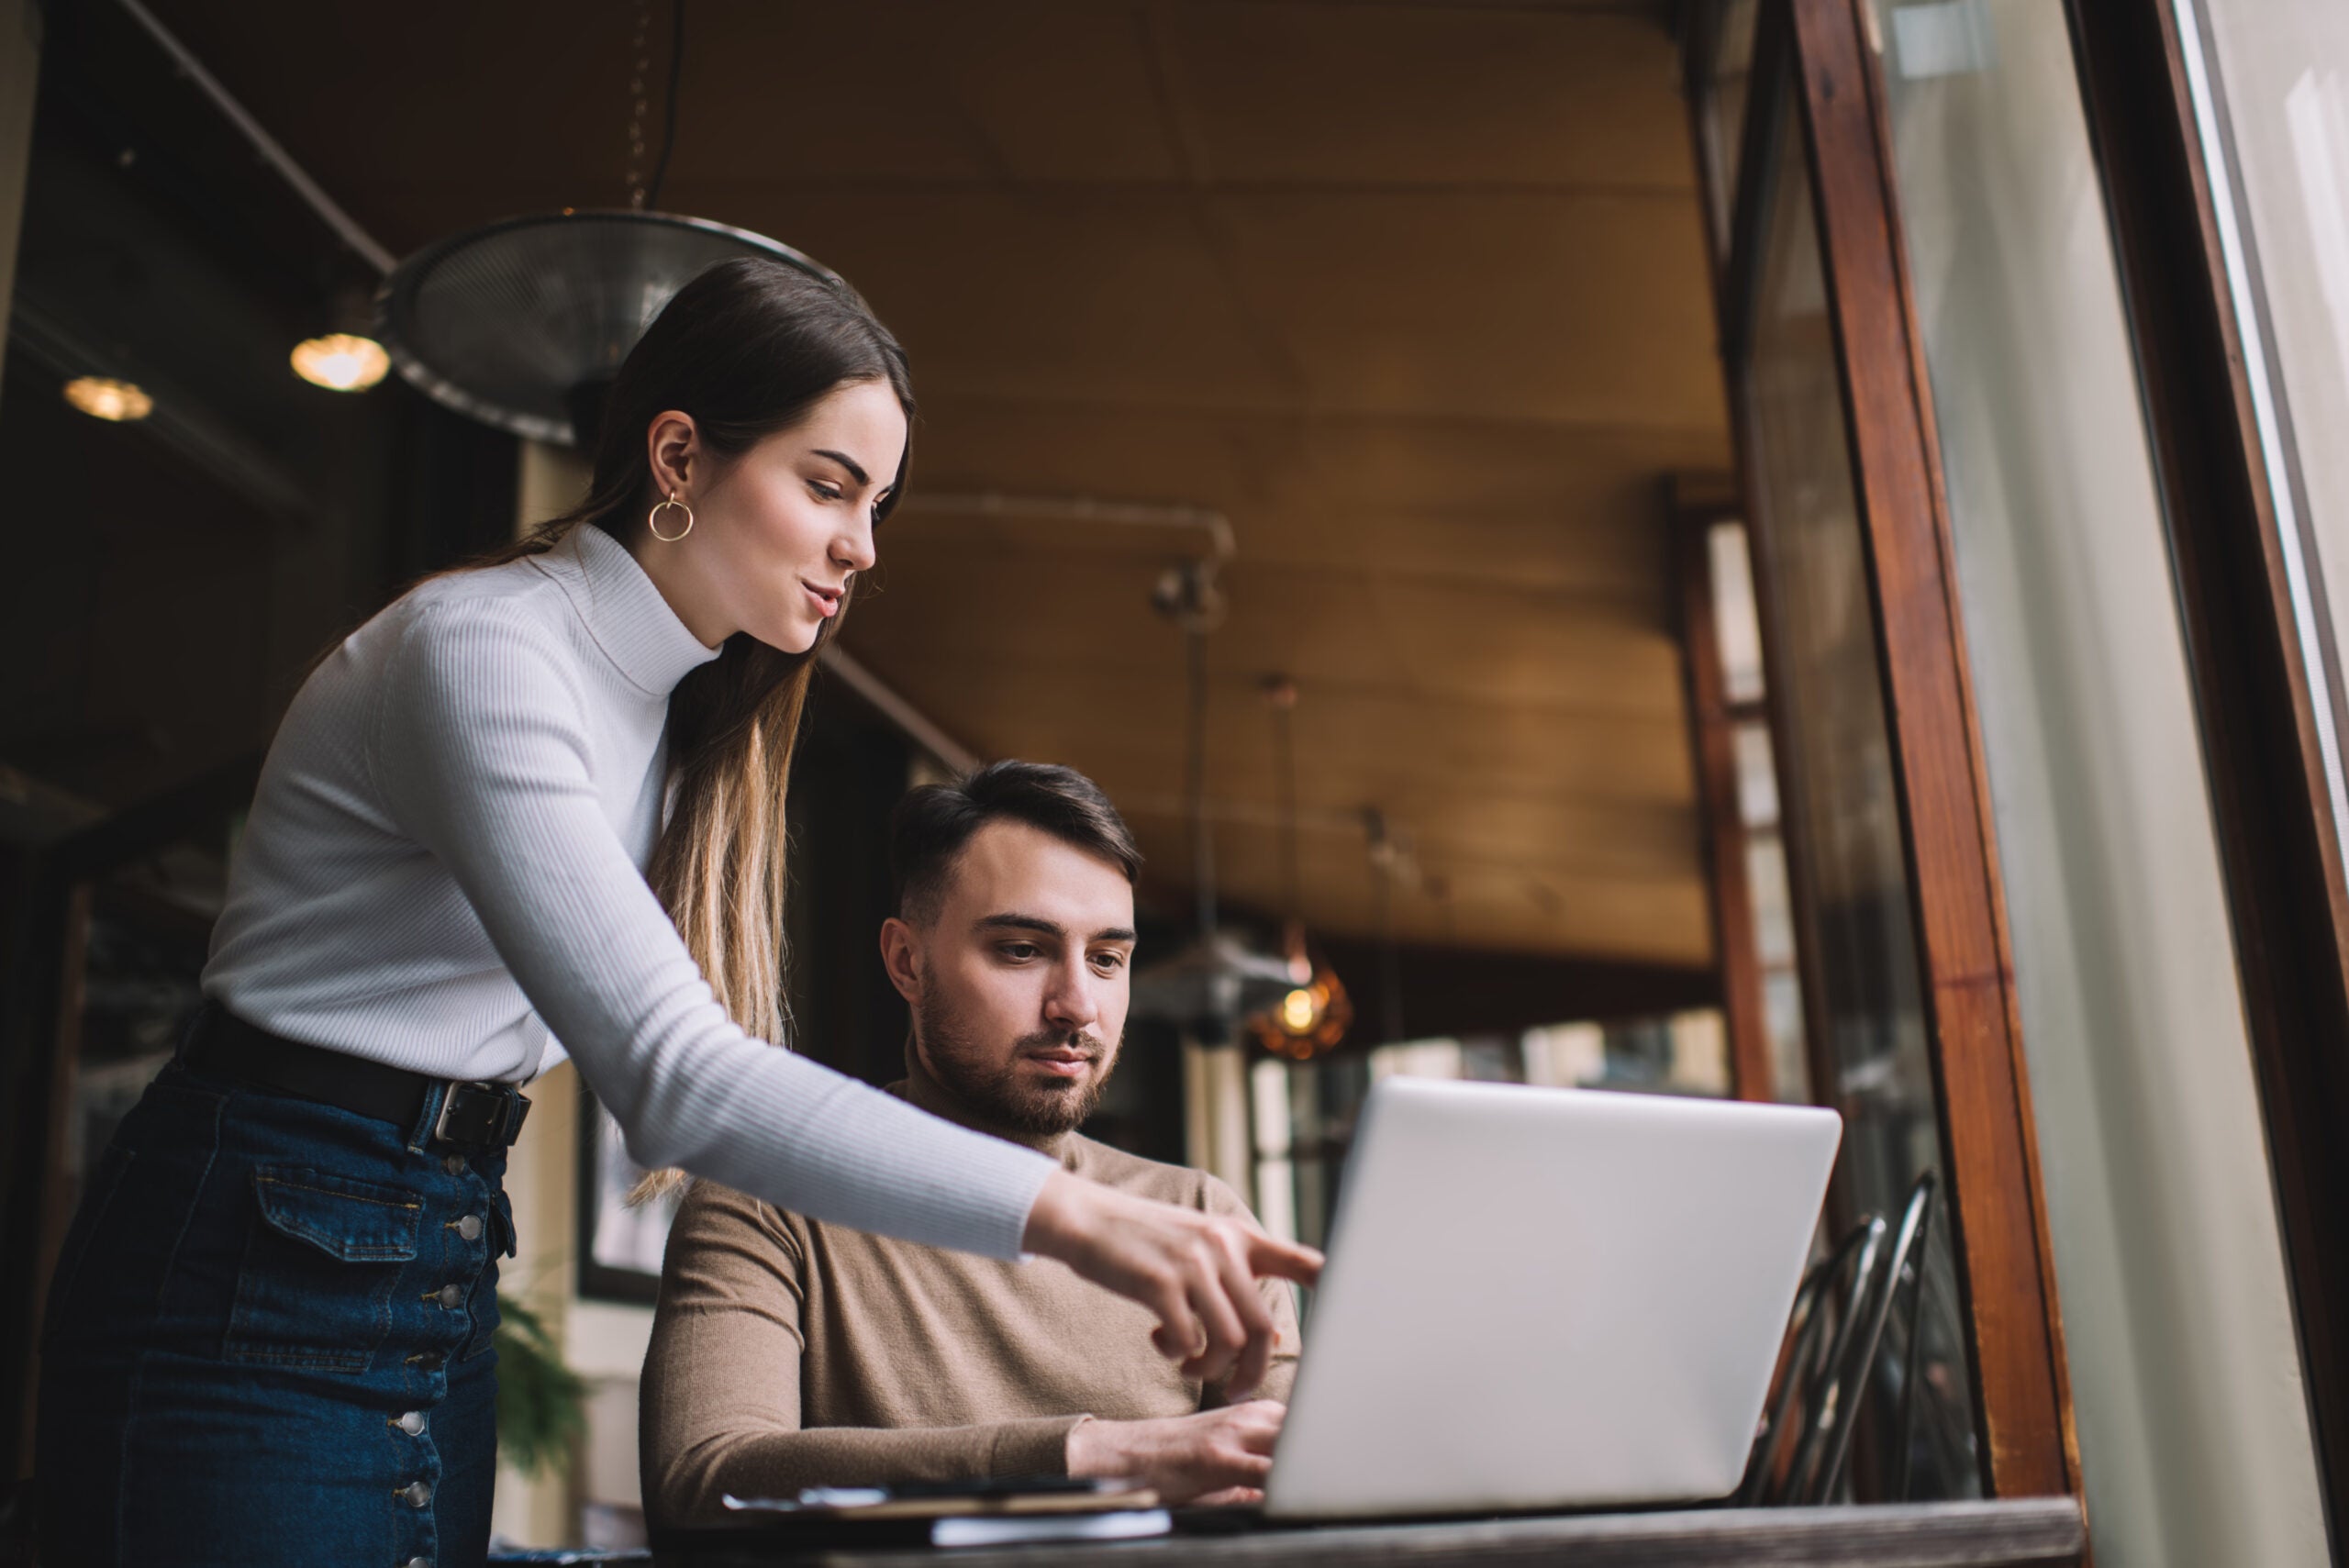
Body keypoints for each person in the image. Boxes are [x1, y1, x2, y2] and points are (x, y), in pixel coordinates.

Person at [33, 259, 1319, 1568]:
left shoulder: (680, 717)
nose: (861, 546)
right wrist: (1086, 1217)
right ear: (679, 457)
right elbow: (677, 1077)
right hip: (255, 1254)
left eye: (876, 504)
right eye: (828, 486)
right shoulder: (484, 649)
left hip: (436, 1243)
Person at [641, 762, 1299, 1525]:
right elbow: (701, 1483)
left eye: (1107, 958)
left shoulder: (1199, 1212)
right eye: (1022, 949)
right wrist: (1092, 1457)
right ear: (906, 961)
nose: (1077, 1006)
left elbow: (1298, 1474)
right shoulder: (768, 1199)